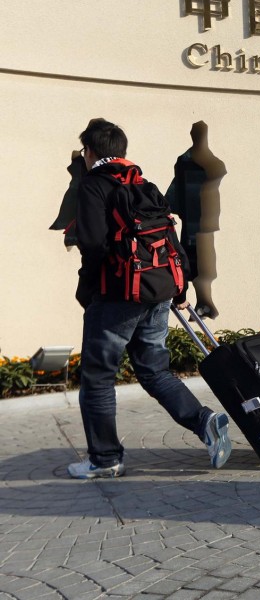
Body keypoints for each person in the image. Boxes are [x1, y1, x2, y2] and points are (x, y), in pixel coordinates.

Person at [70, 119, 231, 479]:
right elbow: (169, 238)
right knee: (154, 370)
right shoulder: (145, 184)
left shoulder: (94, 186)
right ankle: (205, 420)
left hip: (117, 297)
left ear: (90, 152)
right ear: (122, 152)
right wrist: (180, 290)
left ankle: (105, 458)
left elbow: (93, 245)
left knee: (97, 377)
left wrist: (87, 287)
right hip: (159, 291)